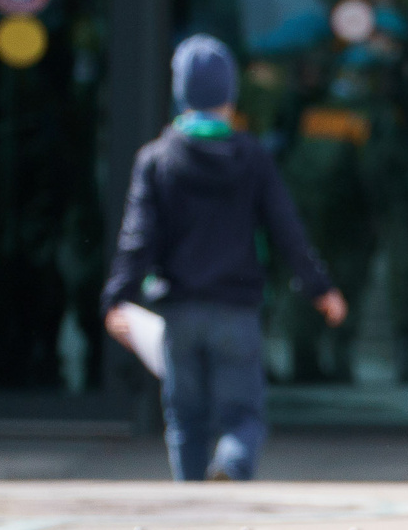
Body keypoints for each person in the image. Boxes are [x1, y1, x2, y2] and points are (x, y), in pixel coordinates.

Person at [101, 37, 346, 481]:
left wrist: (118, 297)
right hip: (236, 308)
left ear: (180, 92)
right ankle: (232, 464)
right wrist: (320, 288)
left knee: (185, 420)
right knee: (243, 415)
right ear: (230, 96)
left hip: (178, 309)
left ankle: (192, 499)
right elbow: (286, 229)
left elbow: (137, 237)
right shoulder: (253, 157)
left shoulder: (156, 159)